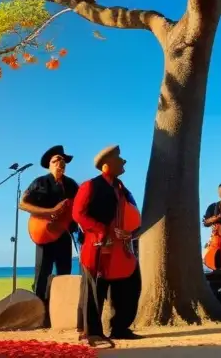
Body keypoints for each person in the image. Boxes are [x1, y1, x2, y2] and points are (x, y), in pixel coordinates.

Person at [72, 144, 142, 348]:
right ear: (106, 165)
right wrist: (102, 230)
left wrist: (131, 233)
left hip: (122, 247)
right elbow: (78, 214)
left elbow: (134, 216)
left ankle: (120, 327)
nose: (123, 162)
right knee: (94, 290)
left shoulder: (123, 189)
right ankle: (91, 332)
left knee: (129, 286)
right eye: (119, 159)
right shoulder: (90, 186)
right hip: (98, 245)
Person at [18, 145, 79, 320]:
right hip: (44, 232)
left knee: (64, 272)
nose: (60, 163)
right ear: (49, 165)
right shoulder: (40, 182)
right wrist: (50, 211)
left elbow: (80, 205)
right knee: (42, 273)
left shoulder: (72, 184)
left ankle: (62, 313)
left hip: (64, 234)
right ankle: (39, 314)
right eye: (56, 160)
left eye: (62, 160)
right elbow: (22, 204)